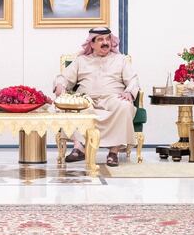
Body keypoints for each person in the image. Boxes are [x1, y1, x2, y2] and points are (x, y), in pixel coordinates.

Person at [53, 26, 138, 167]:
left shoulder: (121, 60)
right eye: (100, 39)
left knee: (125, 107)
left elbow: (133, 80)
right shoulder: (81, 60)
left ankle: (114, 151)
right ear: (91, 44)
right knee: (73, 107)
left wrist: (129, 91)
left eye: (107, 39)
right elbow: (64, 78)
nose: (105, 42)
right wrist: (60, 85)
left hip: (112, 98)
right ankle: (79, 148)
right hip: (87, 99)